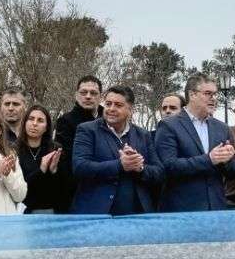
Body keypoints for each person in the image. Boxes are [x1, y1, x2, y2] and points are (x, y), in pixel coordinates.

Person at [155, 74, 235, 212]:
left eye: (215, 94)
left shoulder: (222, 128)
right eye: (208, 93)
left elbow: (232, 172)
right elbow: (168, 167)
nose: (213, 98)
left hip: (216, 208)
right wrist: (209, 159)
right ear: (192, 95)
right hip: (182, 209)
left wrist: (229, 159)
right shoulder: (168, 126)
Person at [72, 86, 163, 215]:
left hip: (137, 215)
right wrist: (120, 165)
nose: (111, 109)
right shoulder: (87, 130)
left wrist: (139, 168)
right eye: (108, 104)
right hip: (96, 213)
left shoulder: (143, 135)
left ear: (130, 109)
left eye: (118, 105)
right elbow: (79, 167)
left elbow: (159, 172)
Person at [55, 76, 103, 212]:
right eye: (83, 92)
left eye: (93, 93)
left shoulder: (108, 117)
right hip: (78, 190)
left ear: (100, 96)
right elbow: (66, 161)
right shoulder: (65, 121)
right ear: (76, 95)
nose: (88, 96)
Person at [16, 105, 64, 213]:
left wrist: (53, 171)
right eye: (31, 119)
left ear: (46, 127)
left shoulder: (55, 149)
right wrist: (41, 170)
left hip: (49, 213)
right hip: (22, 211)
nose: (34, 123)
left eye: (40, 120)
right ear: (24, 123)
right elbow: (19, 188)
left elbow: (61, 190)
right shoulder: (14, 150)